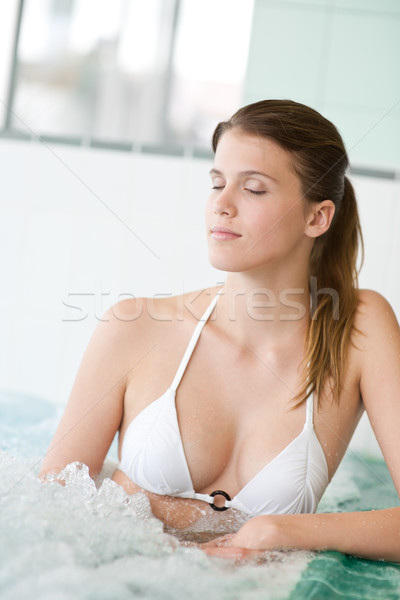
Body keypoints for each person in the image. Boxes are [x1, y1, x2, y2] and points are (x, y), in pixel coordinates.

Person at [39, 99, 400, 562]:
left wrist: (277, 530)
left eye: (253, 189)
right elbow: (51, 503)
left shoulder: (358, 329)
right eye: (216, 183)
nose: (221, 206)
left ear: (317, 218)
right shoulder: (137, 327)